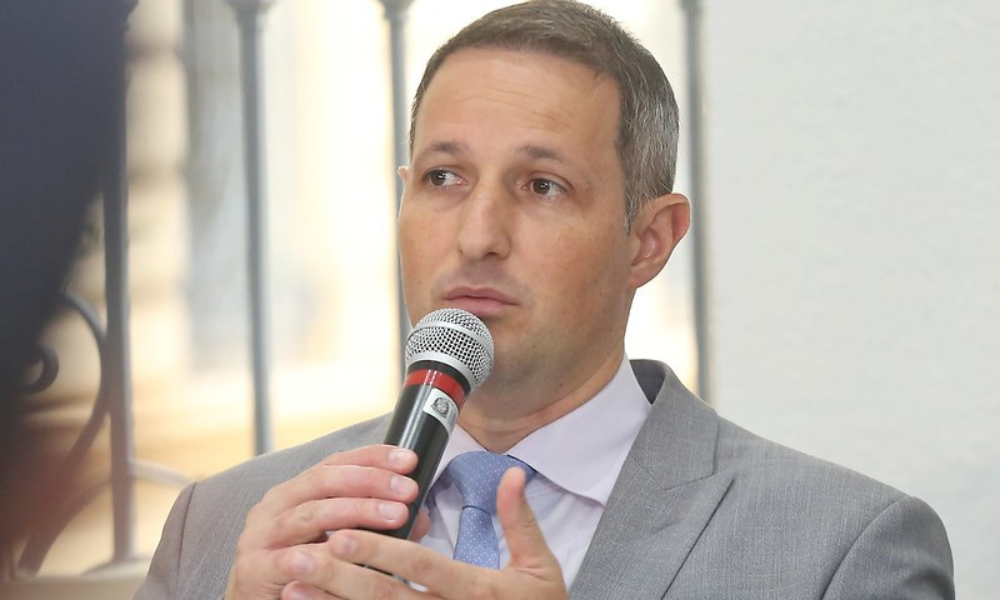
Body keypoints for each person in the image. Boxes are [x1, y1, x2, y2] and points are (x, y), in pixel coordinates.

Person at [134, 1, 954, 599]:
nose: (477, 235)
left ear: (649, 240)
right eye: (443, 178)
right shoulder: (222, 523)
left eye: (542, 186)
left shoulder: (843, 550)